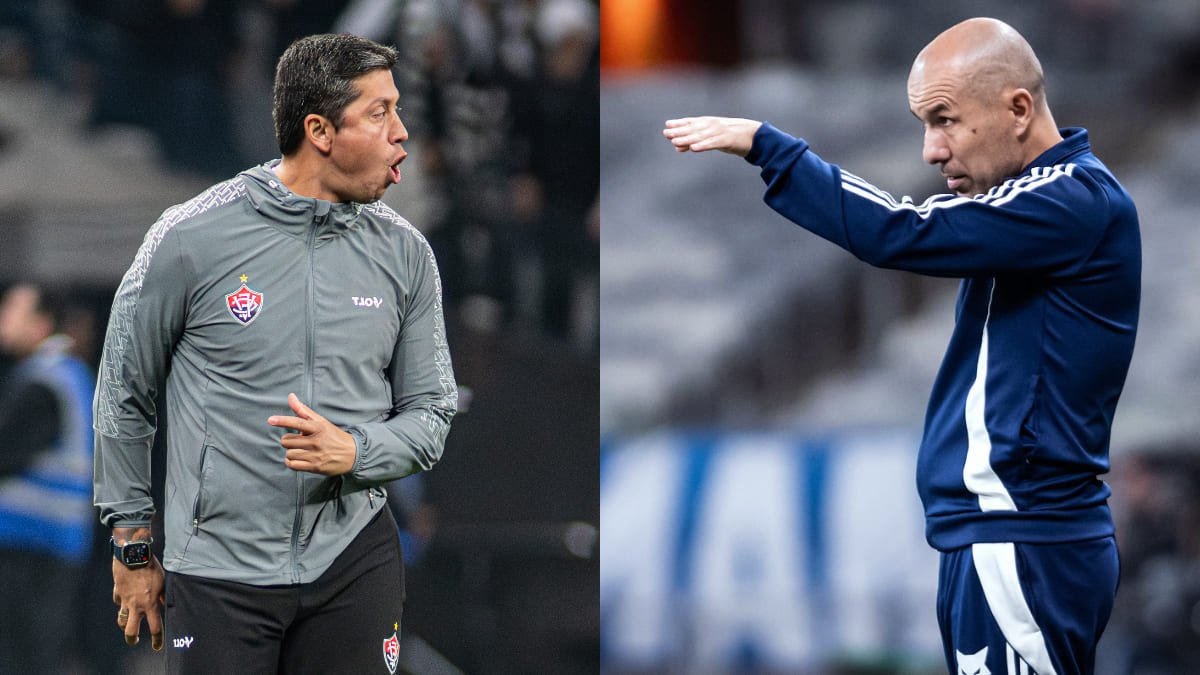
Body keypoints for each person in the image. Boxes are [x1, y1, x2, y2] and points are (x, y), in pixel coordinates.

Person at [663, 17, 1138, 675]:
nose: (931, 150)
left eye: (944, 119)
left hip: (1022, 537)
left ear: (1019, 109)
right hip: (1005, 538)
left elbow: (899, 230)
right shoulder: (1043, 207)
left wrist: (770, 149)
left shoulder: (1070, 201)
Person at [92, 33, 458, 673]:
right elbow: (123, 394)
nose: (403, 132)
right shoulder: (188, 238)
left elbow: (433, 413)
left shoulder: (407, 255)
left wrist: (356, 453)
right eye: (380, 113)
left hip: (352, 559)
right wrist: (132, 546)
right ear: (319, 129)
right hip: (219, 570)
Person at [0, 282, 96, 672]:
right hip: (57, 541)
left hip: (29, 544)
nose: (3, 317)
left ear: (41, 324)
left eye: (11, 309)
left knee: (25, 660)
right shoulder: (70, 373)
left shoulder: (44, 382)